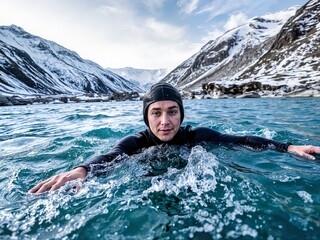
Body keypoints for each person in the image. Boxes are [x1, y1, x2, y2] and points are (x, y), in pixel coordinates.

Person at [29, 83, 320, 194]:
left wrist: (287, 147)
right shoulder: (137, 142)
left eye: (172, 112)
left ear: (181, 114)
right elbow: (111, 155)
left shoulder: (196, 136)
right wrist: (82, 170)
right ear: (146, 118)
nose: (165, 121)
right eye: (156, 113)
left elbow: (240, 139)